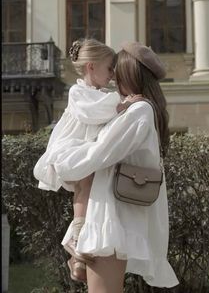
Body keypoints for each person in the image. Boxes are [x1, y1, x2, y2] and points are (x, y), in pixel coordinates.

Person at [53, 42, 179, 293]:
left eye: (116, 71)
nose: (113, 78)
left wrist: (62, 161)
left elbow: (98, 154)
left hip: (111, 223)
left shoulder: (139, 111)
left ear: (129, 73)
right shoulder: (131, 110)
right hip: (106, 220)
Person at [33, 38, 143, 282]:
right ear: (91, 66)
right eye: (109, 68)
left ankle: (77, 255)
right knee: (85, 187)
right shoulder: (78, 91)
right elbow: (94, 112)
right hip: (72, 148)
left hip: (83, 149)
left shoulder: (98, 93)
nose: (113, 75)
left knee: (88, 191)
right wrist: (122, 104)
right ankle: (76, 238)